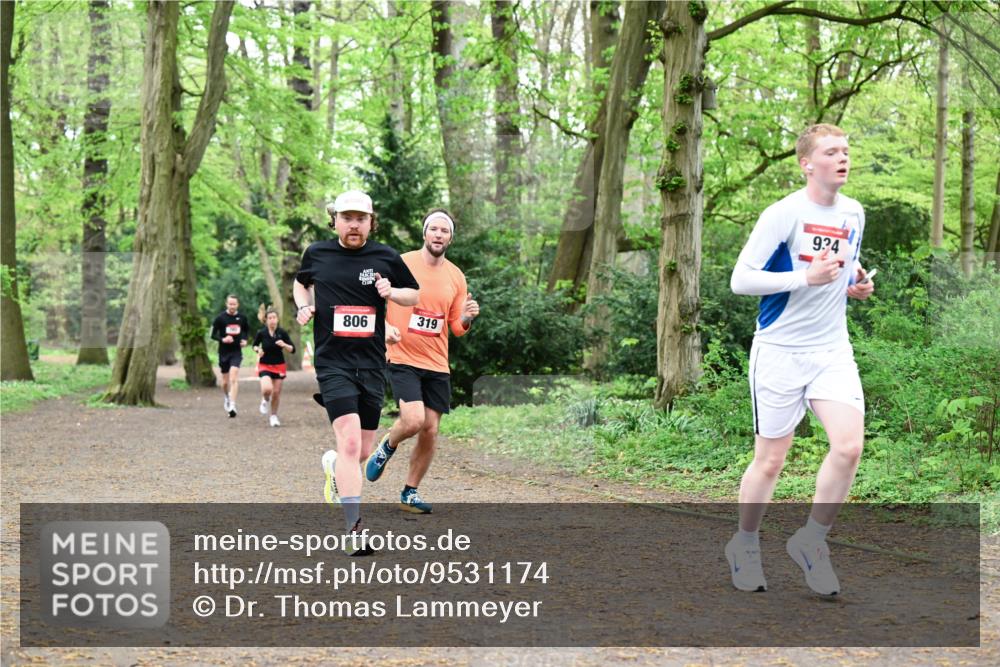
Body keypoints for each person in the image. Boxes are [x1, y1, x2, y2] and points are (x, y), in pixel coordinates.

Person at [726, 124, 875, 595]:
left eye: (846, 151)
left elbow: (846, 262)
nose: (842, 158)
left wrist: (856, 282)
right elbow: (741, 280)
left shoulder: (854, 212)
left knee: (849, 447)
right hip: (779, 352)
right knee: (770, 461)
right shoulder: (782, 213)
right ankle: (745, 544)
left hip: (831, 350)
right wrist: (802, 278)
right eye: (832, 152)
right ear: (807, 163)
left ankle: (812, 541)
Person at [293, 190, 419, 555]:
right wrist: (304, 307)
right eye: (347, 217)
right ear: (334, 220)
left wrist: (392, 291)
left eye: (361, 218)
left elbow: (414, 293)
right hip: (333, 362)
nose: (353, 224)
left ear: (370, 222)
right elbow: (301, 282)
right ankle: (354, 530)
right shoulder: (317, 253)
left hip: (372, 363)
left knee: (361, 450)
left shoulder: (385, 256)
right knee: (349, 442)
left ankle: (334, 467)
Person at [364, 209, 479, 514]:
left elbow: (455, 327)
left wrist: (465, 318)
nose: (439, 235)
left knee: (430, 429)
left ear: (450, 238)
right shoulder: (401, 263)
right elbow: (376, 298)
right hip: (402, 355)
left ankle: (410, 492)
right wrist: (384, 328)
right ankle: (387, 446)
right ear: (425, 233)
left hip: (437, 362)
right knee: (413, 420)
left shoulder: (456, 276)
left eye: (445, 231)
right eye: (434, 229)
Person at [252, 307, 295, 427]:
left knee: (276, 393)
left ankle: (273, 416)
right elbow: (254, 345)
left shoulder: (282, 333)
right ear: (266, 320)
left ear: (277, 319)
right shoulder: (262, 333)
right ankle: (265, 399)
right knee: (267, 389)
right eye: (270, 318)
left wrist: (284, 344)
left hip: (279, 365)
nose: (272, 320)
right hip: (265, 364)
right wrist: (258, 350)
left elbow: (292, 349)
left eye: (274, 318)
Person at [210, 295, 249, 418]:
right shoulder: (220, 318)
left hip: (236, 352)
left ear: (238, 305)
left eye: (234, 304)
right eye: (230, 304)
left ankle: (232, 405)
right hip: (224, 352)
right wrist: (223, 339)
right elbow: (212, 335)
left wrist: (245, 340)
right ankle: (227, 397)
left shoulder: (242, 318)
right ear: (226, 304)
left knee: (234, 377)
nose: (232, 306)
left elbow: (246, 331)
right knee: (225, 382)